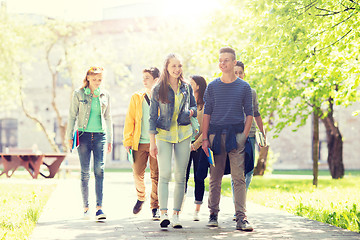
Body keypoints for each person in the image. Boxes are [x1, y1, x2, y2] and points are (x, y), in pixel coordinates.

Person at [202, 47, 254, 231]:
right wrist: (205, 139)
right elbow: (206, 113)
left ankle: (241, 218)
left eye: (226, 60)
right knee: (215, 178)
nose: (222, 63)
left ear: (234, 63)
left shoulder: (244, 87)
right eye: (220, 60)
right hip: (215, 137)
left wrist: (244, 136)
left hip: (236, 137)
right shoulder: (212, 86)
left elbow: (250, 113)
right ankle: (213, 214)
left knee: (238, 178)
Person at [149, 53, 197, 229]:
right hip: (164, 135)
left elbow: (194, 107)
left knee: (181, 175)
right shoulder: (158, 89)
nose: (177, 69)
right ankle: (163, 214)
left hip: (184, 133)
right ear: (166, 68)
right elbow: (152, 117)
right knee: (165, 174)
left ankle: (176, 214)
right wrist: (152, 142)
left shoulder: (186, 87)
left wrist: (191, 112)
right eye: (173, 66)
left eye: (179, 66)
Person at [66, 66, 113, 221]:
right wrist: (69, 136)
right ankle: (86, 207)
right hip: (83, 135)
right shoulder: (79, 94)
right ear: (87, 78)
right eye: (94, 79)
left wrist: (110, 139)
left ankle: (99, 208)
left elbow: (108, 118)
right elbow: (72, 116)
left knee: (99, 170)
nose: (97, 83)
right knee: (85, 172)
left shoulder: (105, 94)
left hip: (100, 136)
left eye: (99, 80)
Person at [123, 67, 160, 220]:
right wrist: (128, 140)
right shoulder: (136, 97)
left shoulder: (162, 98)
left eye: (147, 78)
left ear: (156, 80)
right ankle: (141, 197)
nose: (144, 80)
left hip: (157, 144)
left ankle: (155, 206)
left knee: (155, 176)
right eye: (143, 77)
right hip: (139, 143)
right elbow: (129, 119)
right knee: (138, 173)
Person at [234, 61, 265, 190]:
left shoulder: (252, 92)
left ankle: (241, 197)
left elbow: (256, 113)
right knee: (237, 171)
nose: (238, 75)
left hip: (250, 135)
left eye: (240, 73)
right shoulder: (227, 92)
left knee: (249, 170)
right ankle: (239, 203)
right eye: (235, 72)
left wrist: (262, 133)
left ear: (244, 74)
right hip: (234, 134)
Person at [184, 75, 207, 221]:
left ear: (198, 86)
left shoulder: (205, 105)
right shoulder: (185, 102)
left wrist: (196, 144)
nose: (188, 86)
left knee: (199, 177)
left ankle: (197, 210)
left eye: (191, 84)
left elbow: (206, 127)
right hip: (184, 144)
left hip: (198, 145)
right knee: (182, 177)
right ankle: (178, 208)